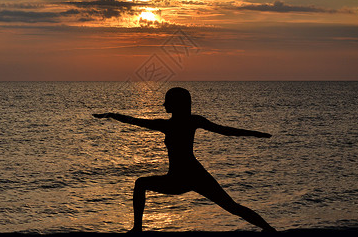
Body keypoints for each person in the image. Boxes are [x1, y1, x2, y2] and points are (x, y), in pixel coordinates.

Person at [93, 87, 276, 232]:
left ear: (176, 103)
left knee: (231, 206)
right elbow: (135, 121)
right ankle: (269, 229)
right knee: (231, 206)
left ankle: (138, 229)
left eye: (167, 101)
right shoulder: (187, 121)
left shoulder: (176, 123)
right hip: (187, 176)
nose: (163, 104)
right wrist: (112, 115)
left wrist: (256, 134)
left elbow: (226, 130)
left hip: (187, 177)